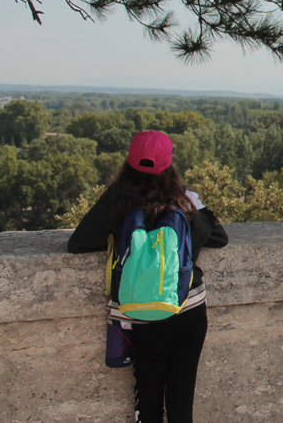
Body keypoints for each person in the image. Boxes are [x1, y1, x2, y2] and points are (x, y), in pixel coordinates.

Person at [68, 130, 229, 423]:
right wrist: (197, 204)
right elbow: (219, 237)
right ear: (169, 163)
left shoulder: (119, 198)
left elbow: (79, 242)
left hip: (145, 313)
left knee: (149, 406)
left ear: (130, 160)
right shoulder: (182, 200)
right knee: (181, 408)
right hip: (190, 309)